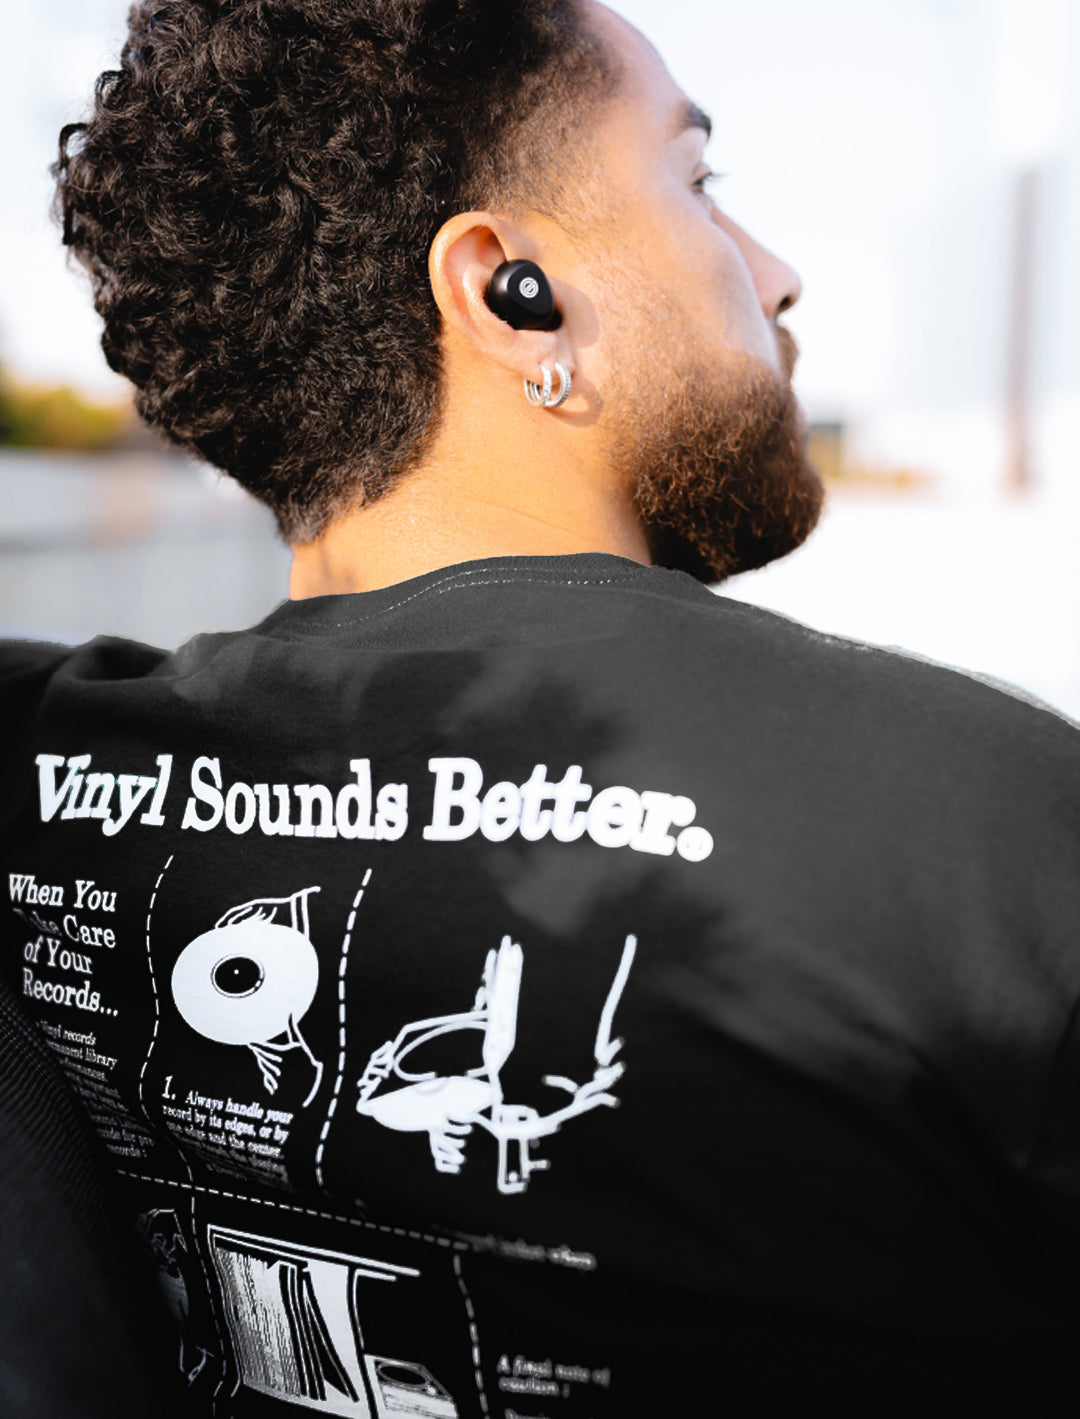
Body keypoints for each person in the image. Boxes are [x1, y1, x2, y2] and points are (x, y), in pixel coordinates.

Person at [2, 0, 1079, 1411]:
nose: (778, 274)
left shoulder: (41, 761)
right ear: (514, 292)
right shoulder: (975, 822)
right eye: (699, 183)